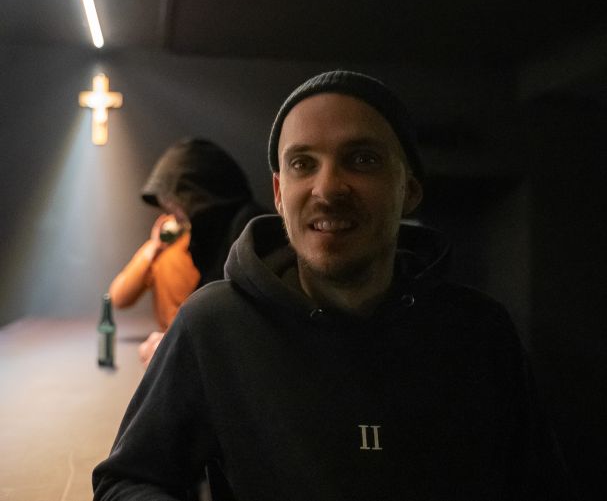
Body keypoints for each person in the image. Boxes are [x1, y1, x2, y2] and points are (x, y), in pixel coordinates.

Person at [93, 71, 570, 500]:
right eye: (303, 164)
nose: (327, 189)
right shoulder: (213, 325)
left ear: (409, 189)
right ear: (279, 194)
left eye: (362, 159)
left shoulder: (480, 332)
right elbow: (126, 482)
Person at [108, 138, 266, 366]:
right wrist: (154, 248)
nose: (175, 216)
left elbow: (238, 325)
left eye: (177, 207)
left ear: (198, 198)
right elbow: (118, 297)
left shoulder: (248, 235)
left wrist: (177, 349)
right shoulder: (203, 243)